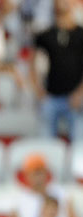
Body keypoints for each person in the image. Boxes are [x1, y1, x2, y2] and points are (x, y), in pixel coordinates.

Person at [29, 0, 83, 141]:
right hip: (51, 97)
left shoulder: (80, 34)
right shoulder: (46, 35)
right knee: (46, 142)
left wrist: (80, 93)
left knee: (79, 144)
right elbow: (32, 62)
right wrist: (38, 90)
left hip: (75, 98)